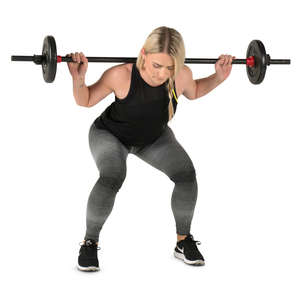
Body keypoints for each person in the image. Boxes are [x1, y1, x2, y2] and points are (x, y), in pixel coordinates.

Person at [67, 26, 235, 272]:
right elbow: (86, 100)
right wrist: (78, 79)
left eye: (170, 67)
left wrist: (219, 77)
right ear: (143, 54)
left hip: (153, 138)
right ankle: (90, 242)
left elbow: (195, 91)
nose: (162, 74)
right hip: (111, 135)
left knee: (186, 175)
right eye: (157, 66)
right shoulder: (121, 75)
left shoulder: (181, 76)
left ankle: (182, 241)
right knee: (112, 176)